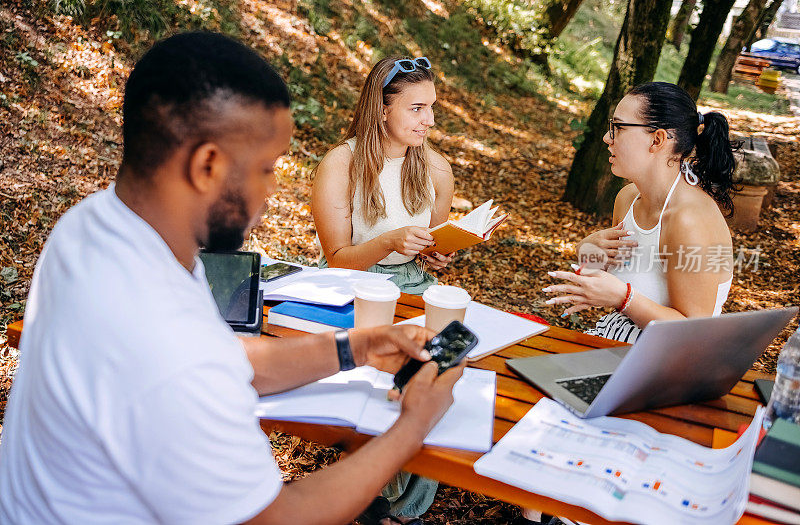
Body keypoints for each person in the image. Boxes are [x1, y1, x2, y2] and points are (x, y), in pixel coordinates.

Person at [0, 32, 464, 525]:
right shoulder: (168, 354)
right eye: (265, 169)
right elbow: (276, 518)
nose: (270, 195)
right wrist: (413, 426)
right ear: (207, 166)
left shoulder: (93, 227)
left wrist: (360, 346)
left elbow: (226, 357)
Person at [543, 81, 736, 343]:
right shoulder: (627, 198)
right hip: (612, 341)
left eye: (618, 128)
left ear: (657, 139)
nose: (606, 138)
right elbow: (615, 277)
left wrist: (624, 298)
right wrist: (588, 251)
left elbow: (692, 333)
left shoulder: (690, 220)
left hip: (667, 364)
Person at [312, 55, 455, 295]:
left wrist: (437, 254)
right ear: (382, 110)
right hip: (347, 285)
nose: (429, 120)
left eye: (431, 107)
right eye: (417, 108)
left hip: (412, 285)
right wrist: (388, 242)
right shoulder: (339, 164)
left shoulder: (438, 170)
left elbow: (432, 248)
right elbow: (337, 261)